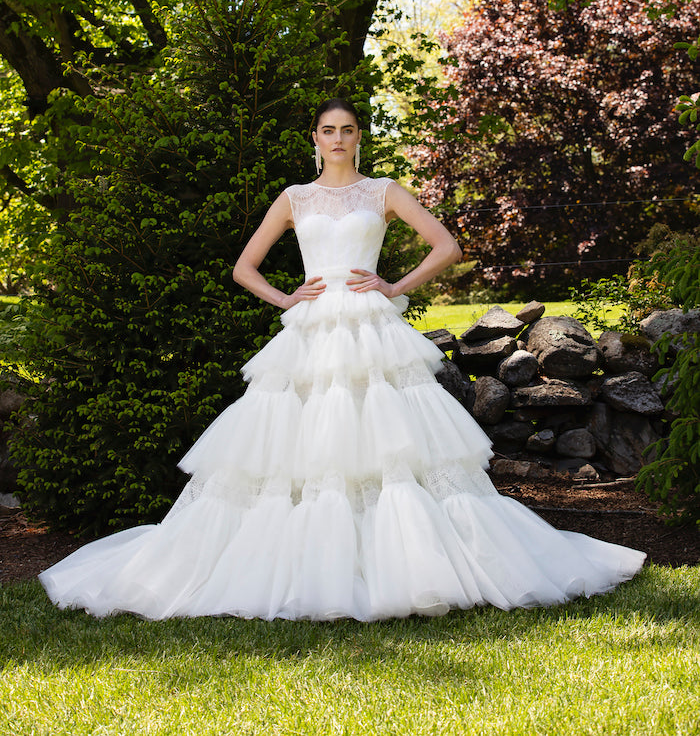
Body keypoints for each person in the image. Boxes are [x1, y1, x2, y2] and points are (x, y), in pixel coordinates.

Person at [39, 97, 645, 620]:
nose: (337, 139)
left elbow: (448, 246)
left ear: (359, 137)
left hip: (371, 328)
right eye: (328, 130)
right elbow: (242, 267)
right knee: (302, 450)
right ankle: (308, 565)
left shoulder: (381, 192)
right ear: (315, 139)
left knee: (387, 444)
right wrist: (286, 297)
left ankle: (406, 562)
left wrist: (393, 286)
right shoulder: (294, 198)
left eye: (347, 130)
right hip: (311, 329)